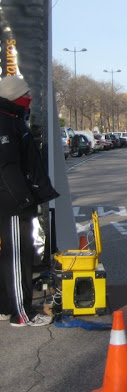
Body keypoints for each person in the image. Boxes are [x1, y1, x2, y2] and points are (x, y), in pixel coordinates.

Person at [0, 76, 59, 327]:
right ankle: (21, 313)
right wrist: (23, 197)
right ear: (15, 96)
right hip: (13, 202)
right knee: (17, 257)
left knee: (13, 256)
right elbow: (7, 166)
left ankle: (6, 306)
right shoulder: (5, 122)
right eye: (26, 94)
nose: (30, 98)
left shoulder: (12, 119)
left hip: (15, 199)